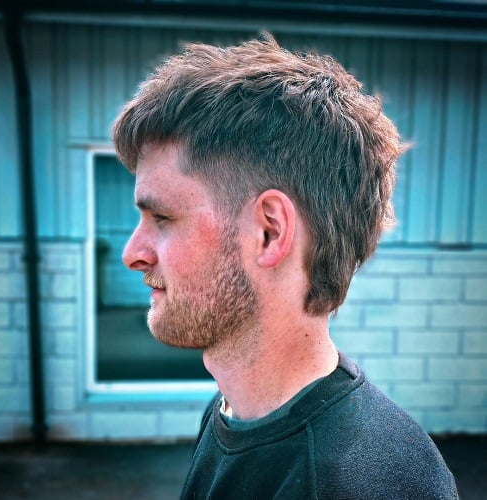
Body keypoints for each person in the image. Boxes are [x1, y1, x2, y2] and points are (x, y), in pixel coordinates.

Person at [113, 33, 458, 499]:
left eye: (162, 217)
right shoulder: (233, 414)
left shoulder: (361, 484)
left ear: (269, 232)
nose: (133, 253)